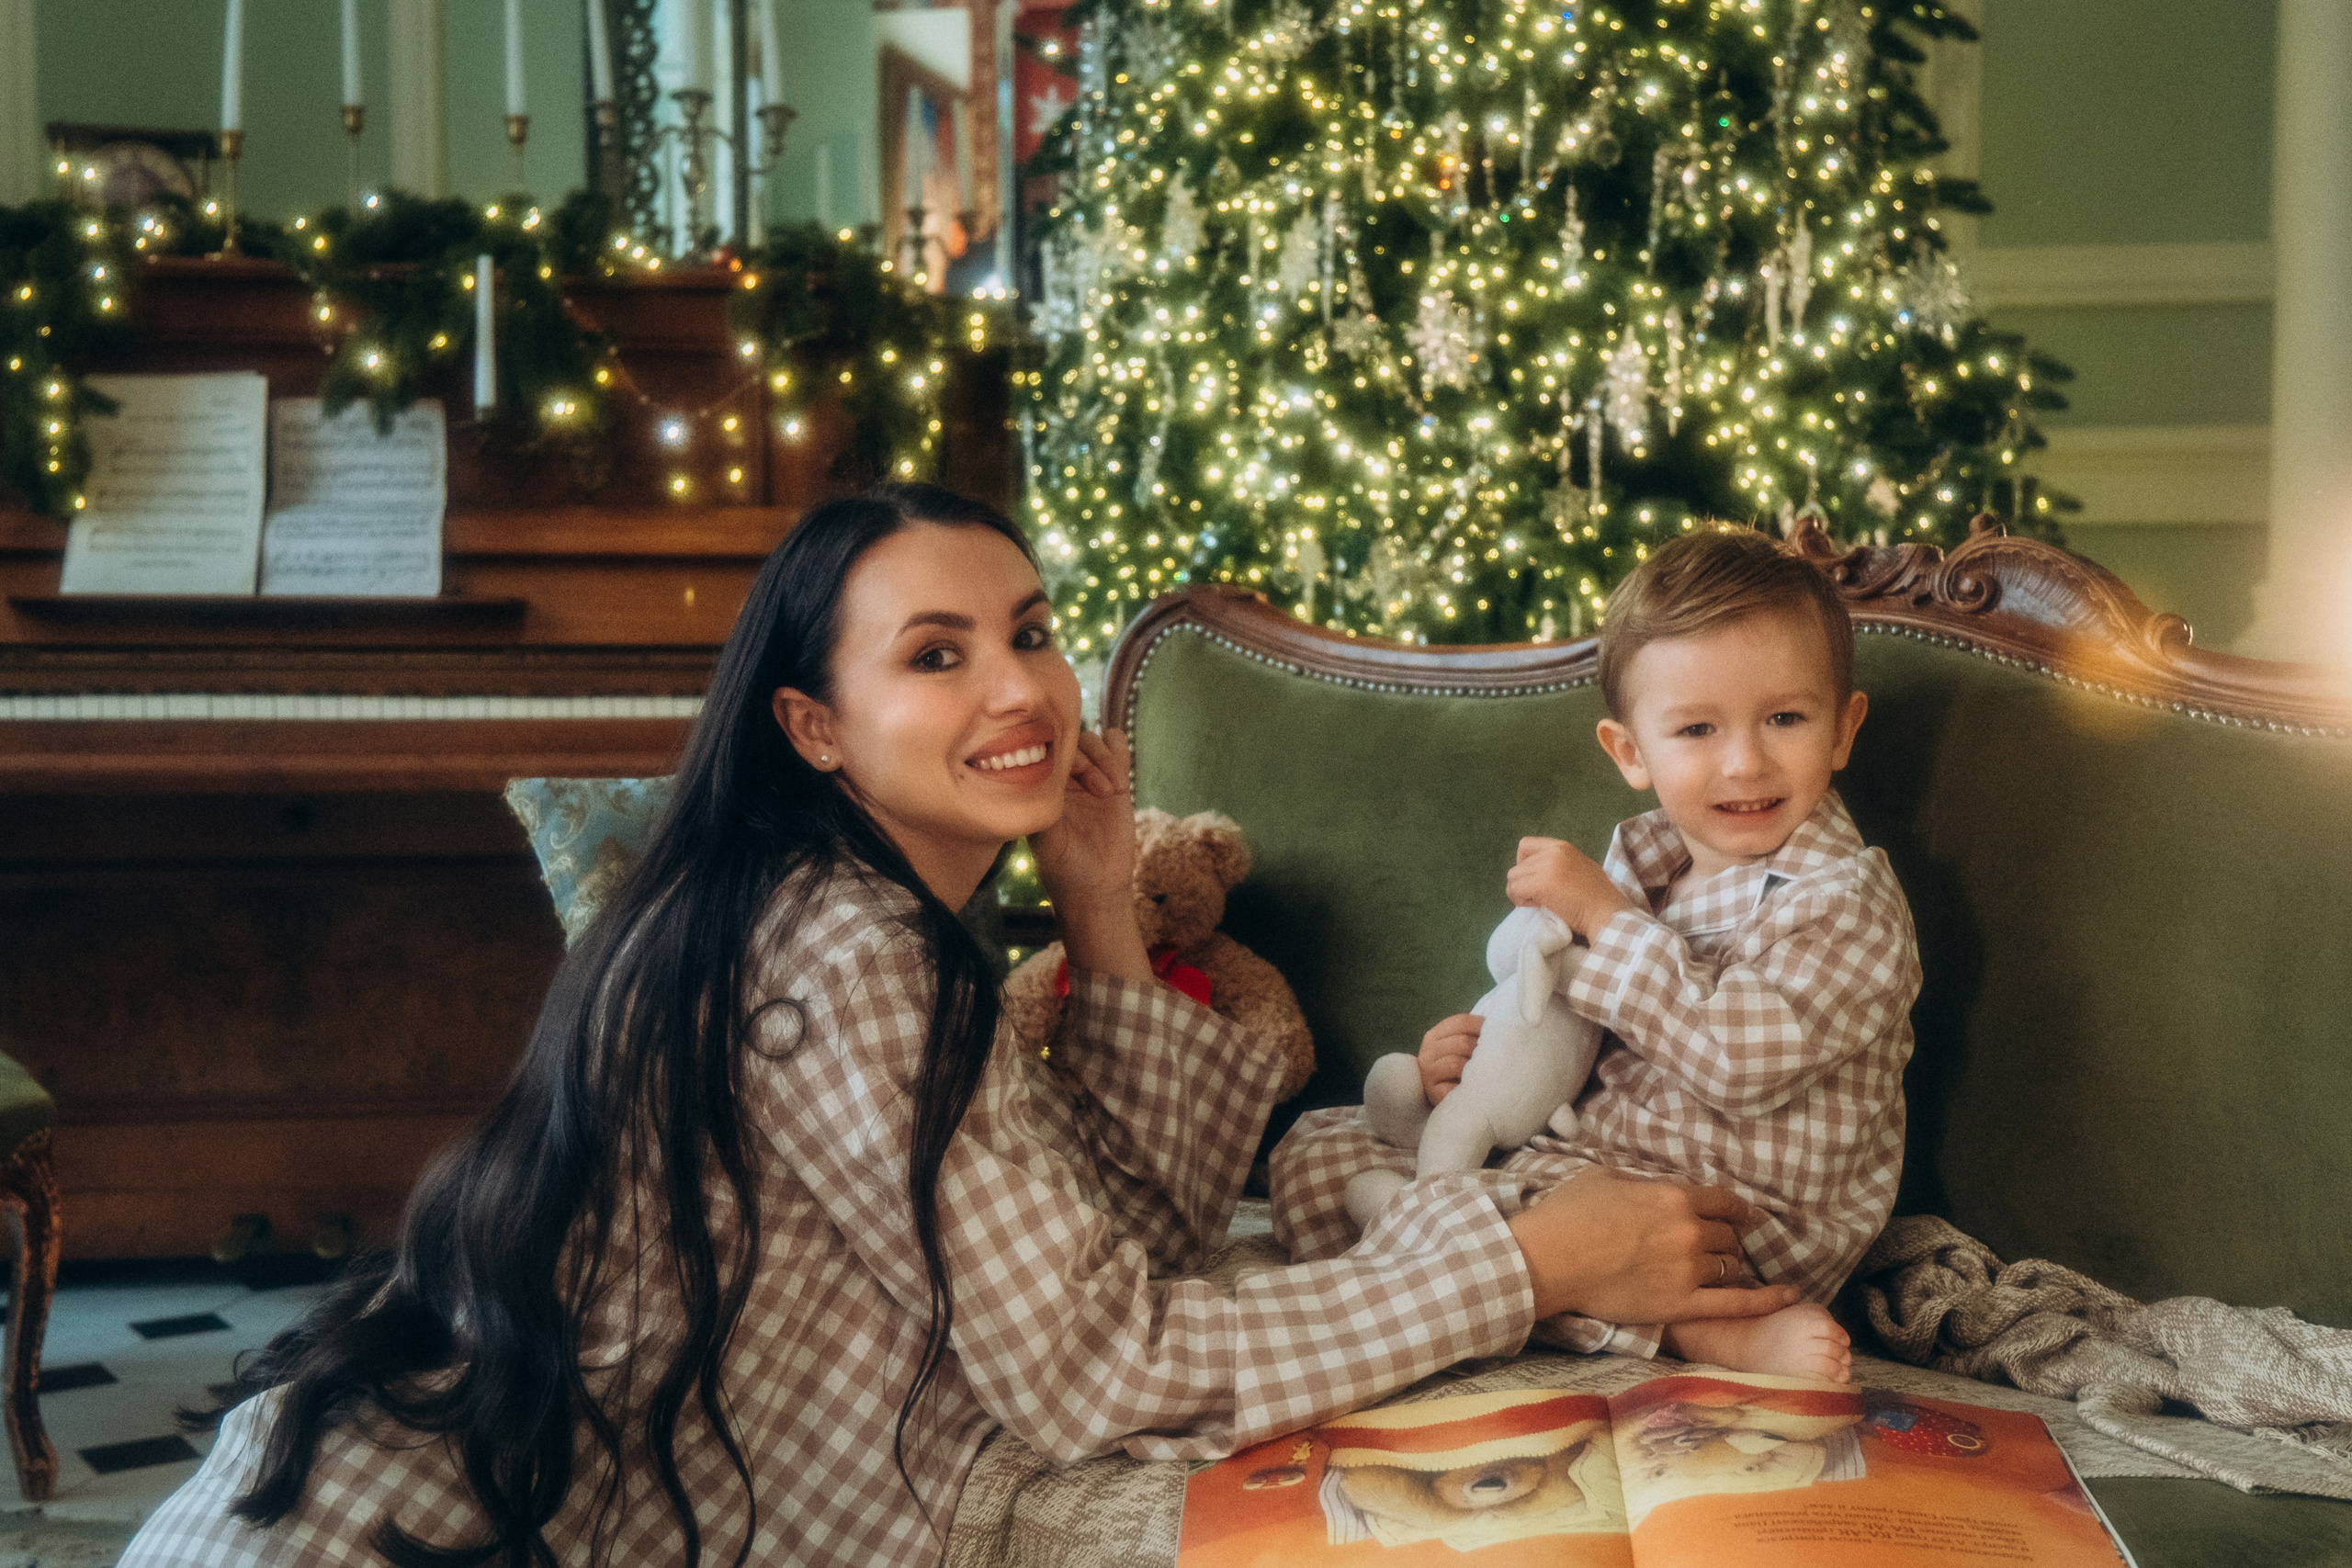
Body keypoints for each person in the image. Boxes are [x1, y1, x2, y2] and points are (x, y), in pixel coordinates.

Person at [121, 486, 1796, 1568]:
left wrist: (1091, 904)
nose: (1021, 690)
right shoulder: (832, 949)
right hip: (399, 1531)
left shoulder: (884, 917)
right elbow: (1099, 1368)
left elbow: (1091, 1260)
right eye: (938, 655)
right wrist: (1536, 1262)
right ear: (815, 726)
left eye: (1032, 632)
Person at [1272, 525, 1923, 1384]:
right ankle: (1449, 1241)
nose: (1744, 760)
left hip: (1726, 1223)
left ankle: (1695, 1332)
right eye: (1696, 728)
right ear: (1630, 752)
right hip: (1581, 1170)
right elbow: (1541, 1017)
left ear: (1842, 730)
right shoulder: (1643, 870)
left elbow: (1735, 1059)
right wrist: (1459, 1063)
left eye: (1785, 718)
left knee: (1468, 1215)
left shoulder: (1848, 902)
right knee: (1315, 1154)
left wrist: (1609, 920)